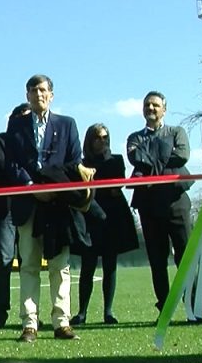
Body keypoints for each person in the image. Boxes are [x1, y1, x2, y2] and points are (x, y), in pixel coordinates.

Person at [5, 74, 81, 343]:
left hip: (57, 204)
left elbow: (74, 162)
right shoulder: (15, 126)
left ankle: (62, 322)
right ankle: (29, 325)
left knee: (60, 266)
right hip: (28, 202)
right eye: (33, 90)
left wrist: (50, 185)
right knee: (28, 264)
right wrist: (29, 185)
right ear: (27, 95)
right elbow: (10, 163)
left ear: (52, 94)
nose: (39, 94)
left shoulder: (67, 124)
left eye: (43, 90)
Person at [127, 91, 194, 320]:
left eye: (156, 105)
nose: (151, 108)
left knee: (185, 256)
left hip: (176, 203)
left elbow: (182, 156)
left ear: (164, 109)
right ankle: (165, 309)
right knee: (157, 260)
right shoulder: (134, 137)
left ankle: (193, 307)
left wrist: (151, 157)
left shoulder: (177, 132)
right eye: (147, 105)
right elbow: (136, 158)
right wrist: (164, 153)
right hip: (148, 205)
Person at [72, 124, 138, 325]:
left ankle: (108, 312)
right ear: (90, 141)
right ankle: (82, 312)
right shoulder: (81, 163)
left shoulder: (116, 160)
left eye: (106, 137)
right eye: (98, 138)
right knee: (88, 265)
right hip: (89, 217)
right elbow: (84, 191)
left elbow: (116, 185)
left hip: (113, 217)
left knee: (110, 265)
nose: (103, 141)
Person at [0, 102, 29, 329]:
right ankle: (0, 312)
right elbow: (3, 167)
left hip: (30, 207)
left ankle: (29, 314)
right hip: (4, 210)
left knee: (29, 262)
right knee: (3, 260)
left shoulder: (33, 145)